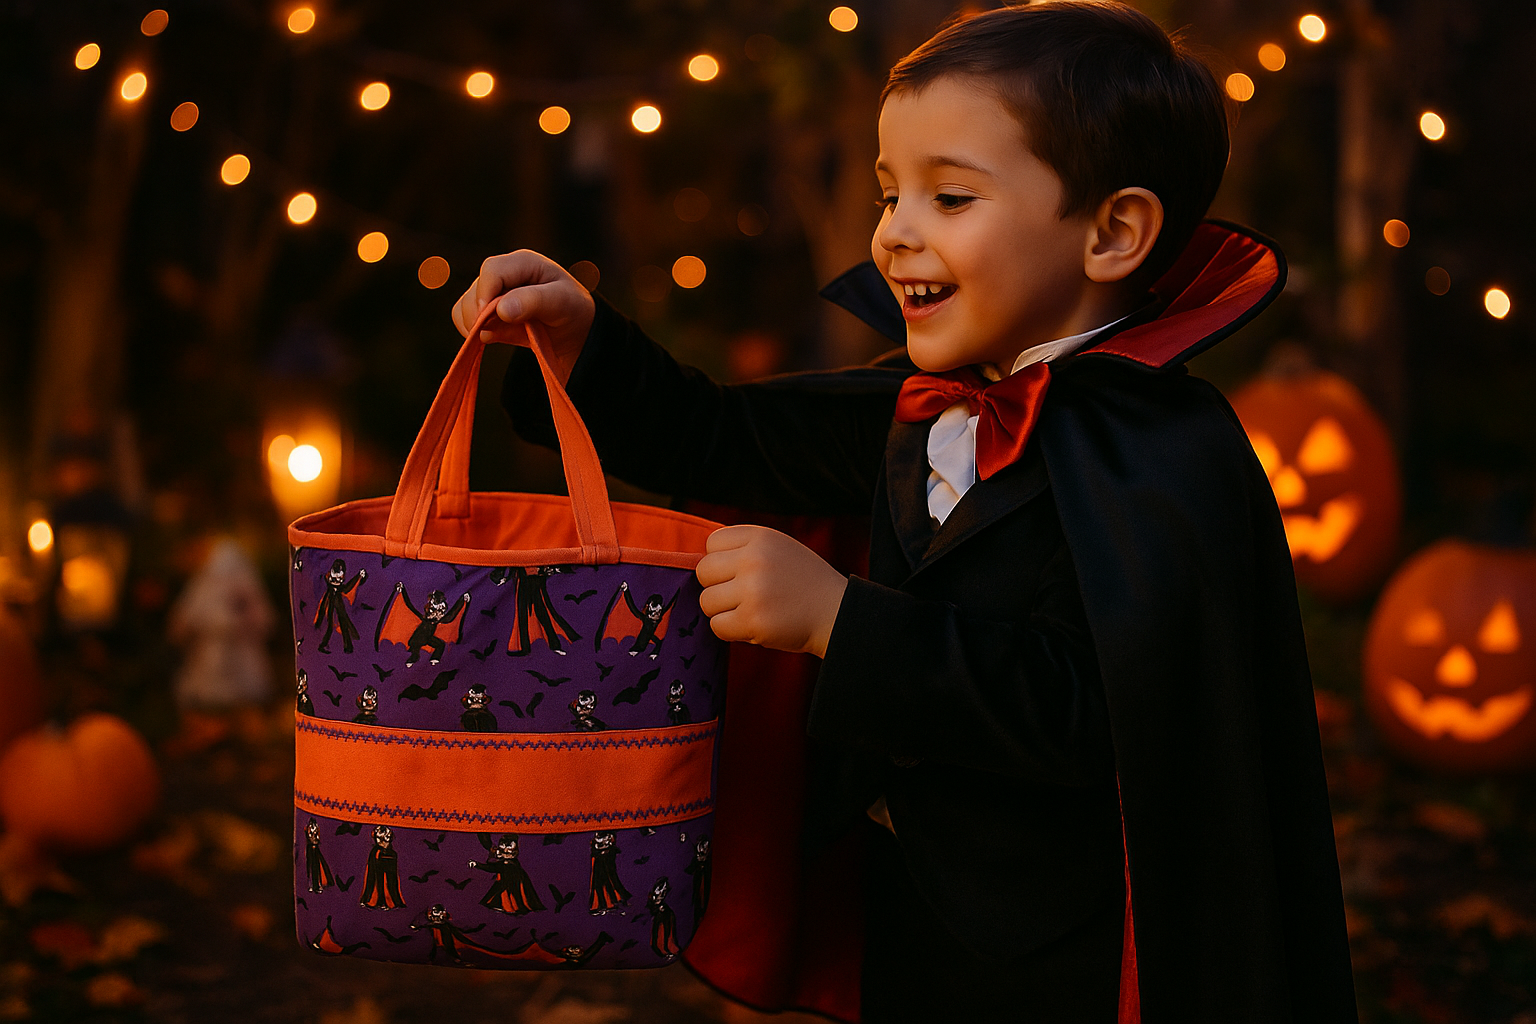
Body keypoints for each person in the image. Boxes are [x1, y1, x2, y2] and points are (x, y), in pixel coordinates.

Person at [453, 4, 1356, 1021]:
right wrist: (583, 346)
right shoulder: (914, 405)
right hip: (908, 904)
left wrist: (847, 622)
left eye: (950, 195)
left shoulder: (1159, 459)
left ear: (1112, 231)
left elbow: (1101, 718)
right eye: (891, 195)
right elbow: (723, 439)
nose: (894, 234)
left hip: (1070, 953)